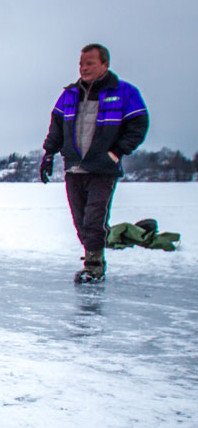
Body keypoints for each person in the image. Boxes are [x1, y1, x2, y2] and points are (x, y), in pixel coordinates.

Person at [40, 44, 149, 284]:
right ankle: (97, 251)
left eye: (90, 63)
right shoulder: (69, 95)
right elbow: (56, 128)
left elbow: (139, 125)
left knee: (93, 219)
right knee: (81, 222)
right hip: (74, 168)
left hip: (103, 169)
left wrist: (117, 152)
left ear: (105, 64)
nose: (84, 68)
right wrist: (49, 154)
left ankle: (94, 267)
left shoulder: (124, 93)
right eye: (81, 64)